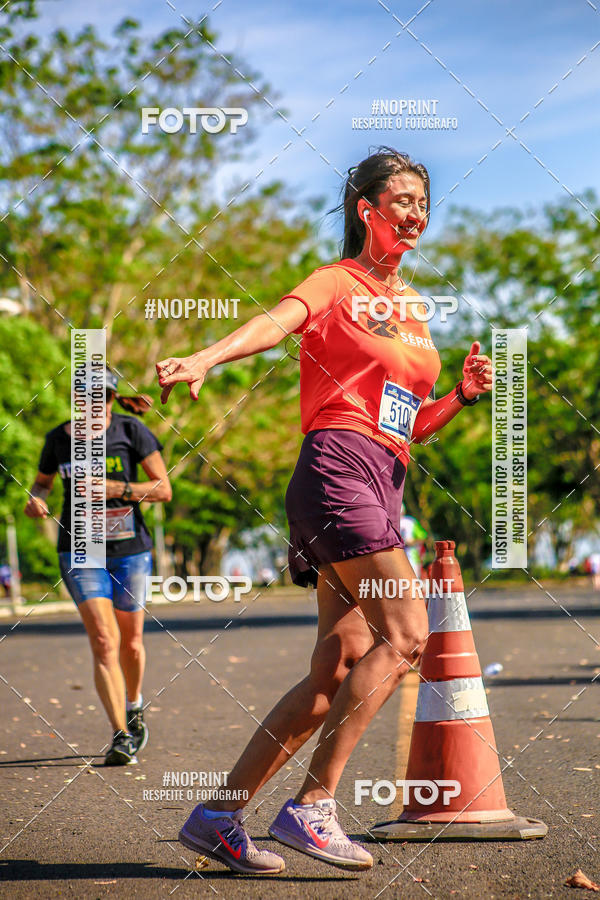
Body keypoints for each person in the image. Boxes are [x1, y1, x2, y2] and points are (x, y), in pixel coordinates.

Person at [156, 147, 494, 875]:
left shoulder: (408, 306)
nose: (416, 211)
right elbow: (277, 323)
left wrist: (459, 397)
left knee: (336, 666)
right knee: (406, 636)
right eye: (400, 199)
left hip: (382, 474)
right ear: (364, 209)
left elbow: (404, 423)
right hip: (338, 469)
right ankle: (313, 808)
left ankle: (217, 815)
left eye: (423, 201)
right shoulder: (336, 282)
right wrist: (208, 358)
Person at [24, 368, 172, 765]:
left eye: (102, 397)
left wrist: (118, 489)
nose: (95, 405)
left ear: (112, 397)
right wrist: (36, 499)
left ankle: (135, 703)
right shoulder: (58, 439)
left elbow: (164, 488)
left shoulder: (131, 431)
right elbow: (42, 483)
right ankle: (121, 733)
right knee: (105, 643)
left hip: (130, 549)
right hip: (80, 547)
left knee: (133, 642)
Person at [399, 503, 428, 578]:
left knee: (413, 582)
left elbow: (423, 536)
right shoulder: (389, 523)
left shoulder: (410, 522)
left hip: (412, 558)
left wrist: (411, 542)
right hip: (396, 559)